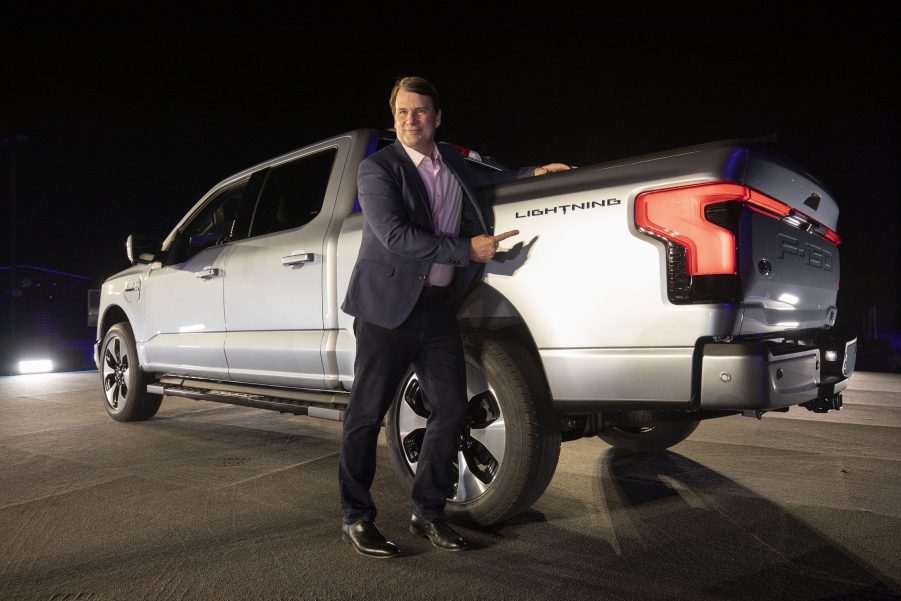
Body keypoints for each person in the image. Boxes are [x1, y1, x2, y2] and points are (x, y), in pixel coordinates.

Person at [338, 76, 570, 558]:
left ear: (437, 117)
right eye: (402, 112)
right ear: (394, 118)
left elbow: (488, 179)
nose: (411, 120)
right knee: (365, 415)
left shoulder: (452, 162)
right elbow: (395, 235)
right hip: (386, 310)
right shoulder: (377, 169)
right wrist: (467, 249)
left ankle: (427, 513)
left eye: (420, 111)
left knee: (450, 409)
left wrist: (532, 173)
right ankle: (356, 517)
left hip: (439, 308)